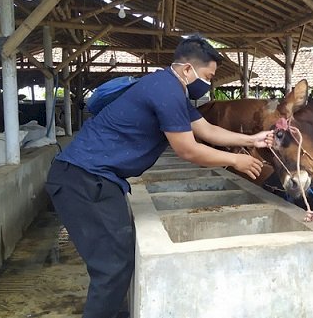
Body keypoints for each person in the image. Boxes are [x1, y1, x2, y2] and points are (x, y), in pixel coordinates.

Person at [44, 35, 271, 318]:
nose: (209, 84)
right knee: (112, 266)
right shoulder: (166, 90)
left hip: (97, 179)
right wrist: (236, 159)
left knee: (116, 263)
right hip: (84, 179)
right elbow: (188, 150)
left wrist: (254, 139)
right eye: (208, 76)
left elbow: (208, 131)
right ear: (187, 69)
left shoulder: (167, 87)